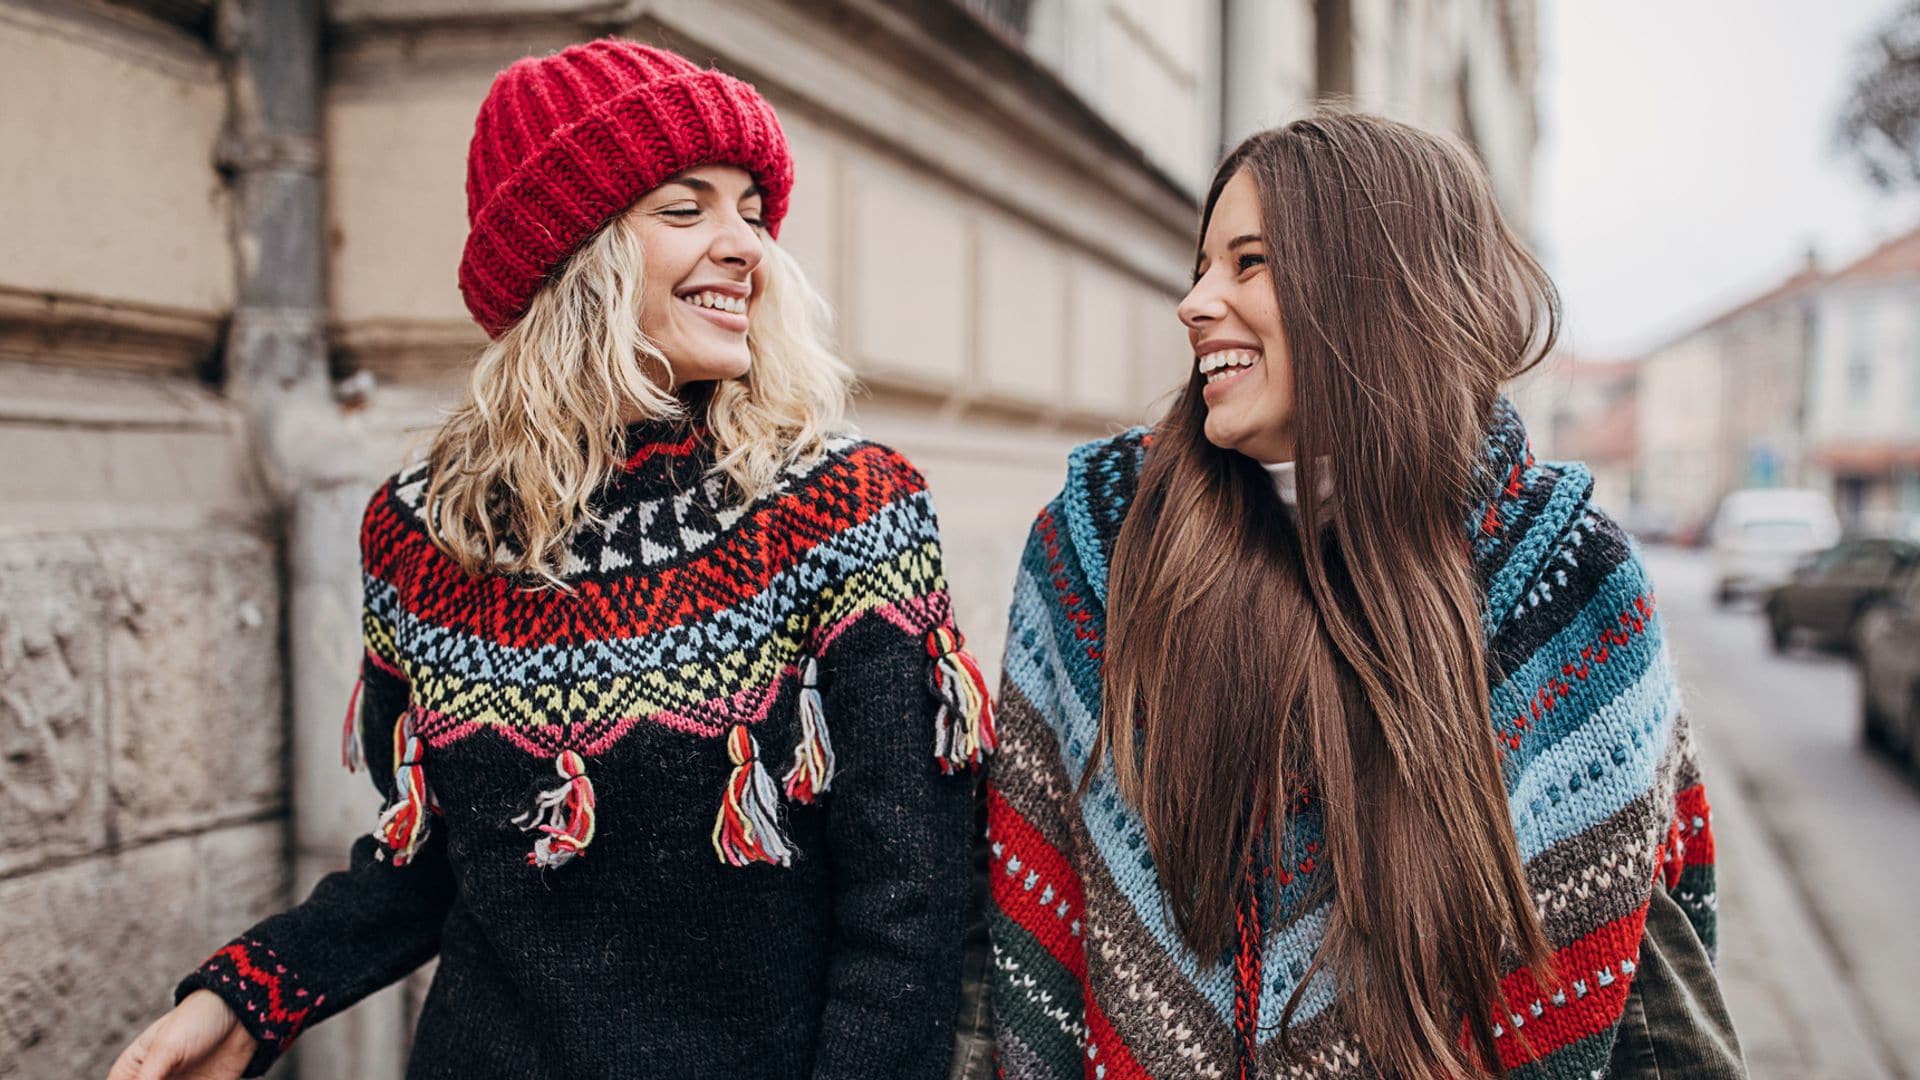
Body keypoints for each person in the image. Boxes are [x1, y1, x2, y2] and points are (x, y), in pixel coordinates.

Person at [109, 39, 992, 1080]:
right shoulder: (427, 532)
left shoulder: (842, 509)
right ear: (570, 255)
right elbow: (428, 864)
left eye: (752, 212)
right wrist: (246, 996)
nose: (746, 247)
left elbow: (909, 907)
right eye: (686, 208)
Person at [985, 114, 1744, 1079]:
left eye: (1248, 263)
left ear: (1370, 291)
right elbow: (1029, 909)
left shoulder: (1565, 585)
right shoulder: (1100, 547)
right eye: (1201, 268)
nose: (1195, 303)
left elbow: (1645, 970)